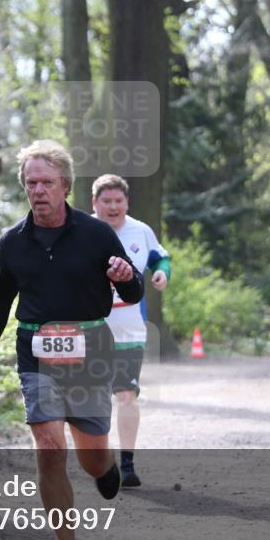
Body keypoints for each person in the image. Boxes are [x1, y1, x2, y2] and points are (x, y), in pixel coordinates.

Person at [0, 140, 143, 540]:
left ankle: (105, 469)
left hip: (89, 349)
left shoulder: (96, 233)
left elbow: (133, 292)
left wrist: (127, 278)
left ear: (65, 185)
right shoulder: (13, 241)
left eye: (47, 182)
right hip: (36, 353)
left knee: (90, 456)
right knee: (48, 446)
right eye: (31, 183)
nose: (38, 190)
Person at [90, 174, 171, 487]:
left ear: (127, 202)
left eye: (118, 201)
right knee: (95, 399)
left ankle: (127, 464)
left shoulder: (140, 231)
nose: (113, 207)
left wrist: (162, 275)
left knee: (126, 395)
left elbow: (161, 258)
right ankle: (101, 460)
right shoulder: (82, 232)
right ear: (94, 203)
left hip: (130, 329)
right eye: (106, 201)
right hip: (92, 328)